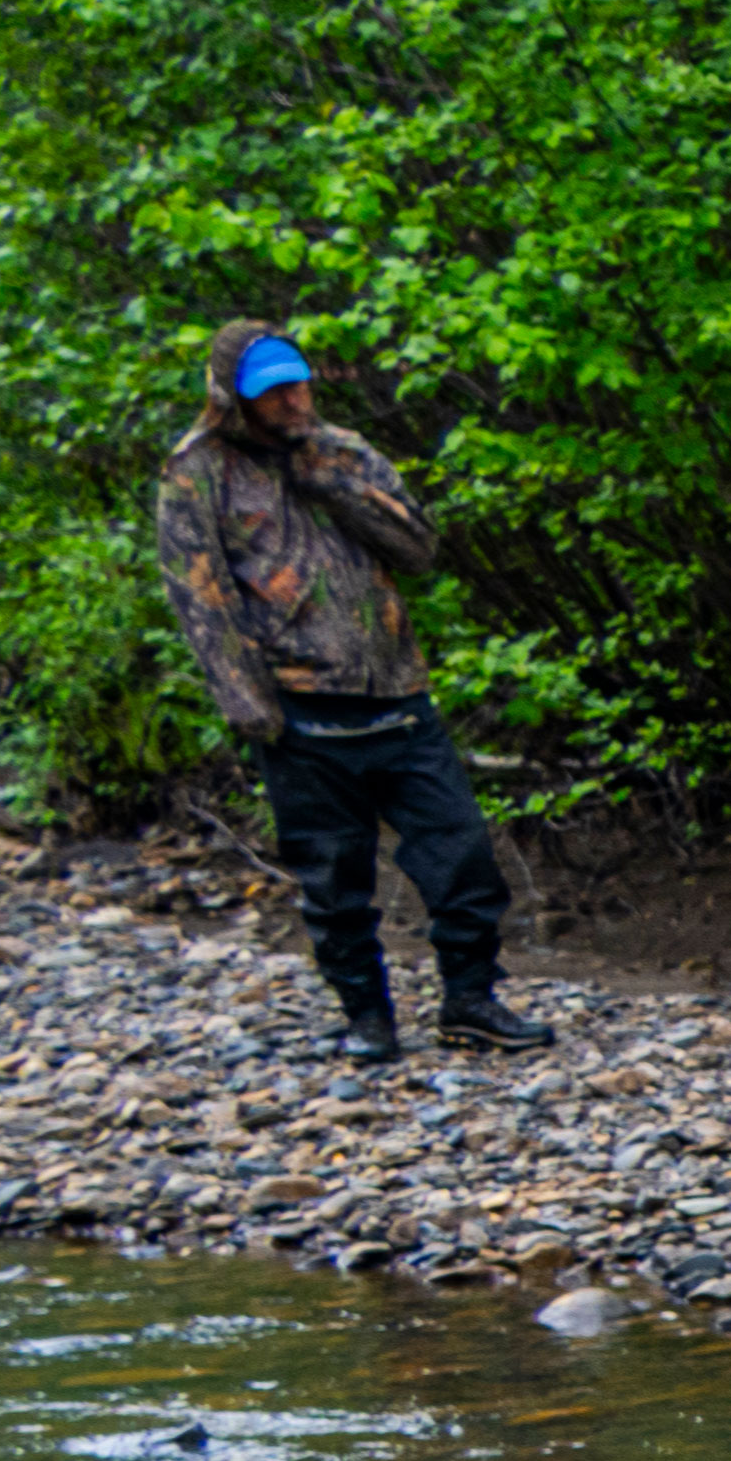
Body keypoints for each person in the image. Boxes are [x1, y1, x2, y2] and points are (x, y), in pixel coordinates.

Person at [149, 324, 529, 1063]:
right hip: (298, 706)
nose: (294, 400)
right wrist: (249, 705)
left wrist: (337, 485)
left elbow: (420, 549)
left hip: (396, 691)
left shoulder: (344, 450)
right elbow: (202, 599)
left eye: (299, 383)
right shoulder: (198, 473)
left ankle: (471, 1003)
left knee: (461, 854)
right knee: (334, 876)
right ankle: (367, 1019)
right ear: (234, 396)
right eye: (274, 392)